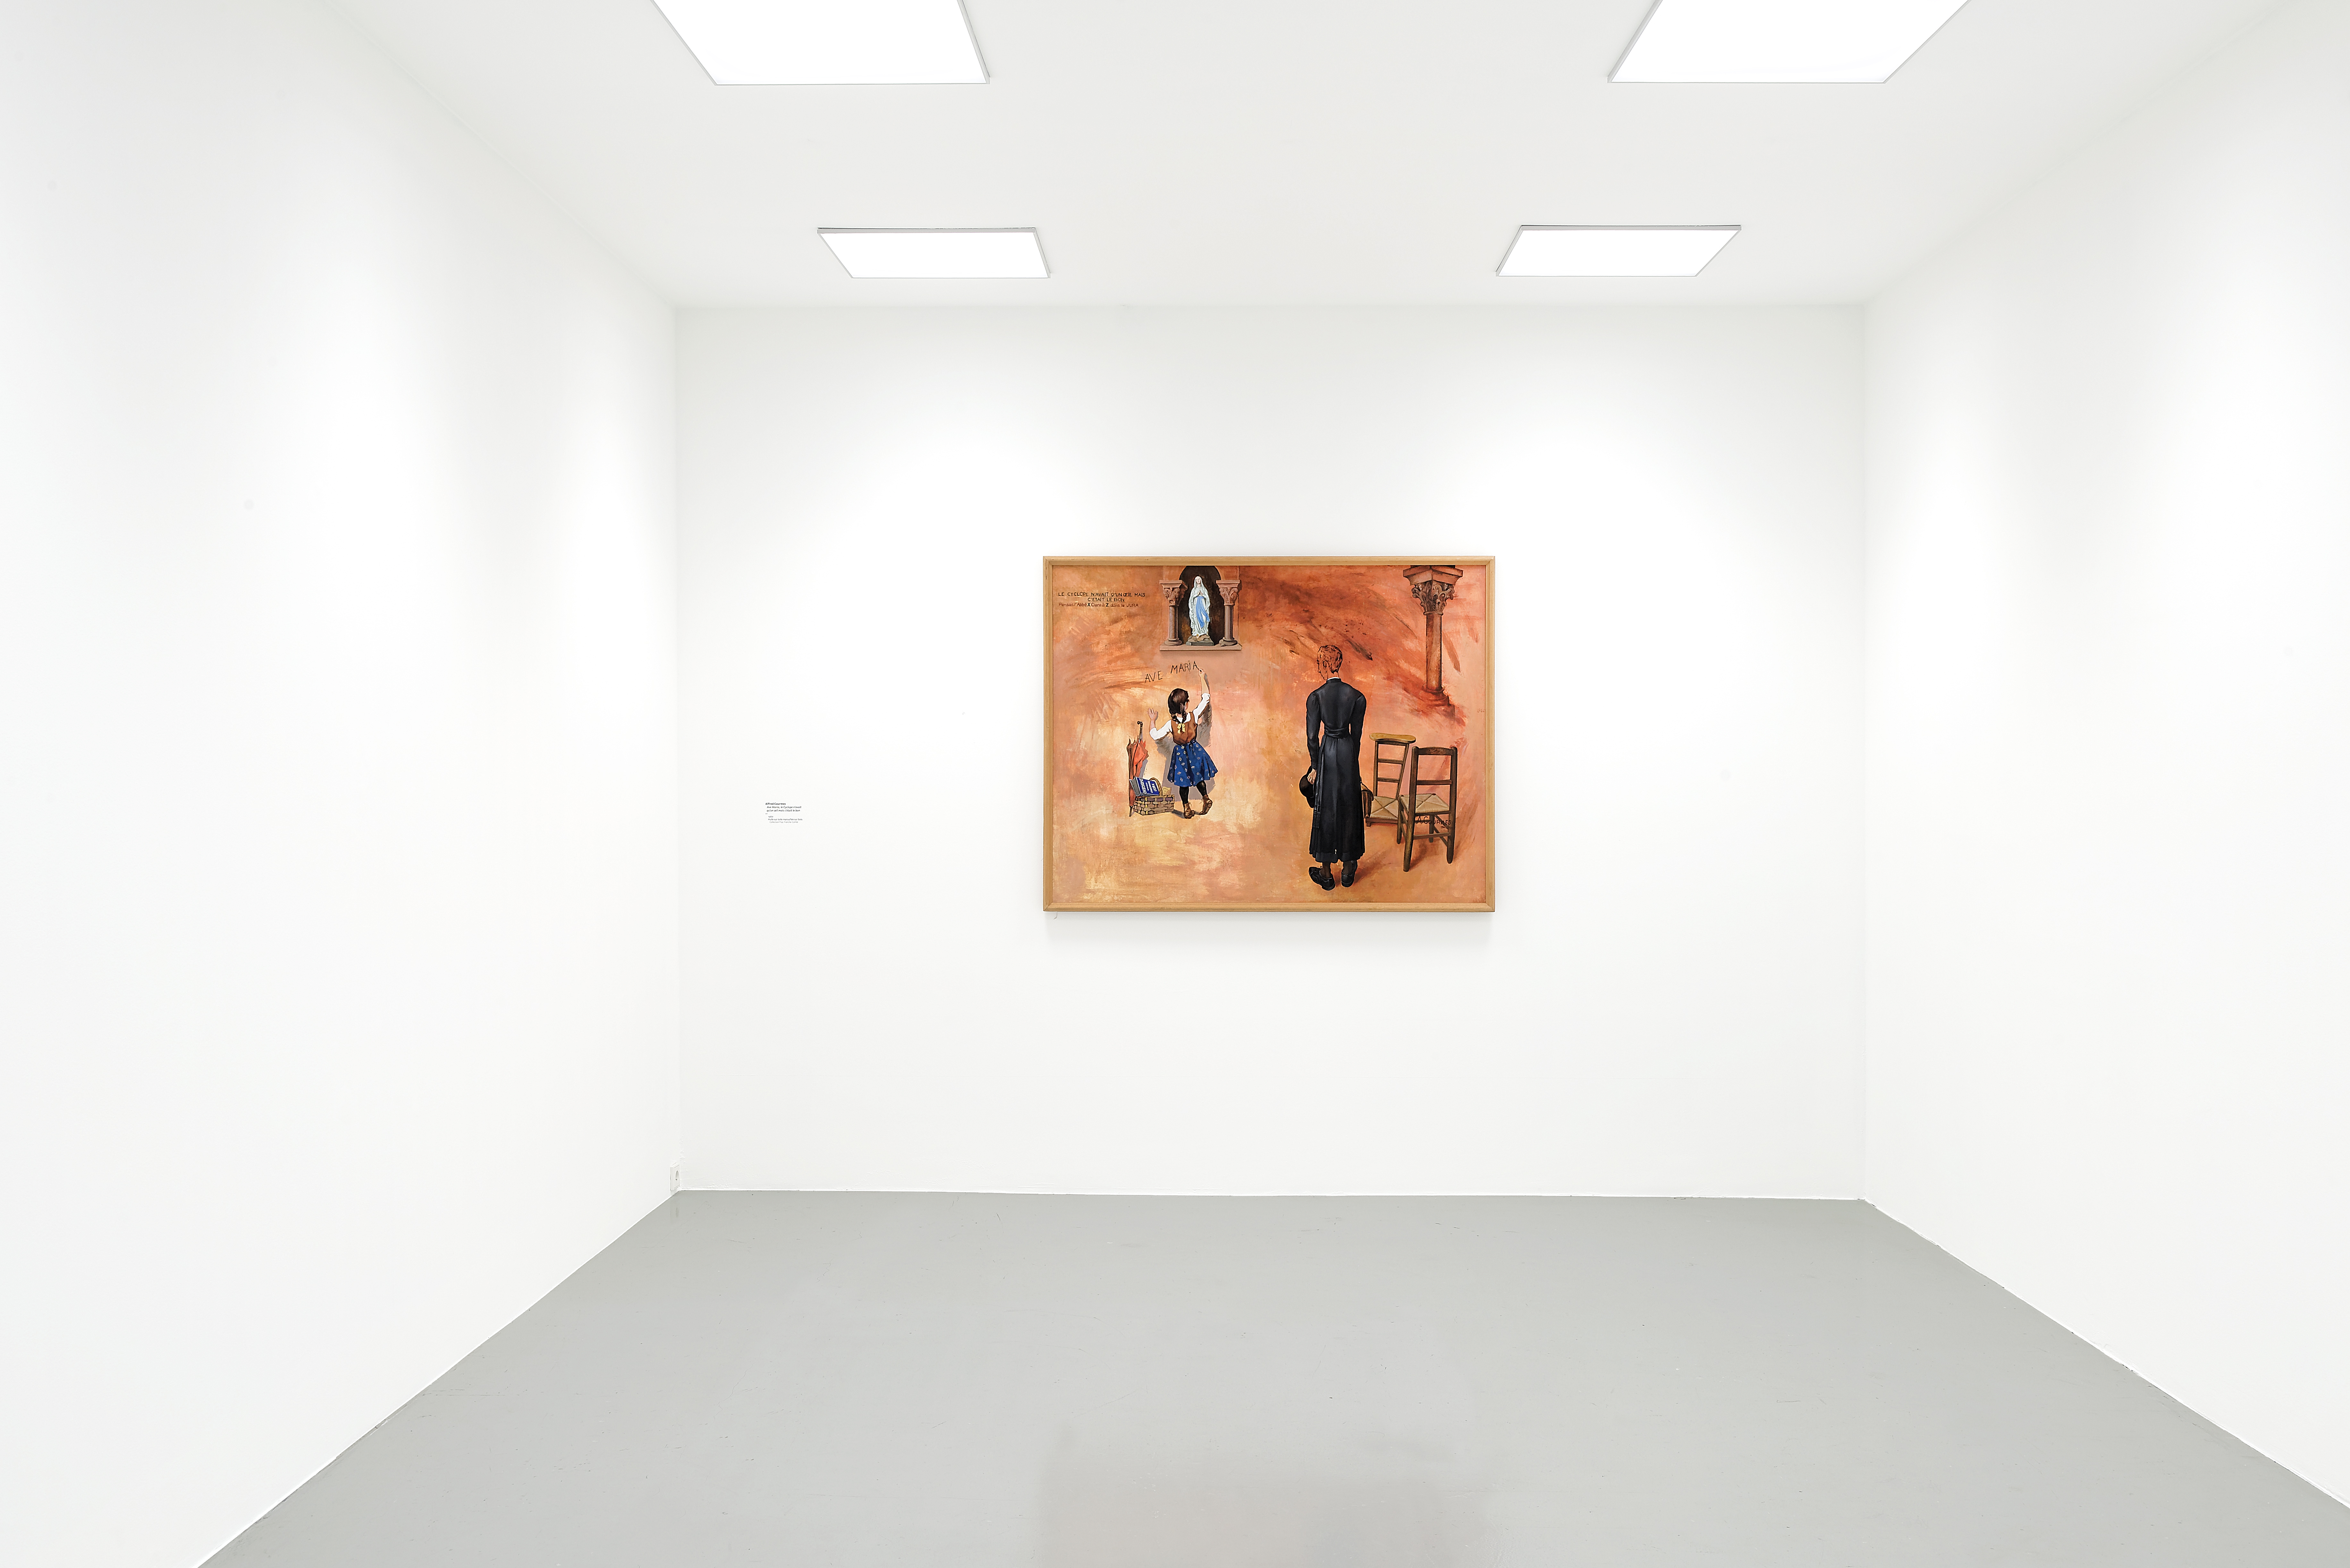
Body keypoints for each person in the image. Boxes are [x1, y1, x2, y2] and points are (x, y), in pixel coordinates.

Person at [1304, 644, 1365, 889]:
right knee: (1349, 806)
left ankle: (1327, 874)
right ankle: (1349, 869)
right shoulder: (1357, 697)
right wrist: (1354, 765)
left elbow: (1312, 737)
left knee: (1327, 806)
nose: (1318, 669)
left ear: (1326, 664)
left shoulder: (1316, 697)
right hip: (1348, 753)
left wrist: (1315, 766)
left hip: (1328, 753)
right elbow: (1357, 736)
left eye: (1319, 664)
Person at [1151, 667, 1217, 818]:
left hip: (1181, 755)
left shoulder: (1170, 724)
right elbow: (1206, 699)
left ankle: (1187, 809)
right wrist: (1202, 677)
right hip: (1195, 752)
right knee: (1199, 778)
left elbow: (1155, 736)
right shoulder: (1194, 715)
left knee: (1184, 783)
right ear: (1186, 704)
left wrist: (1153, 721)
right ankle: (1206, 799)